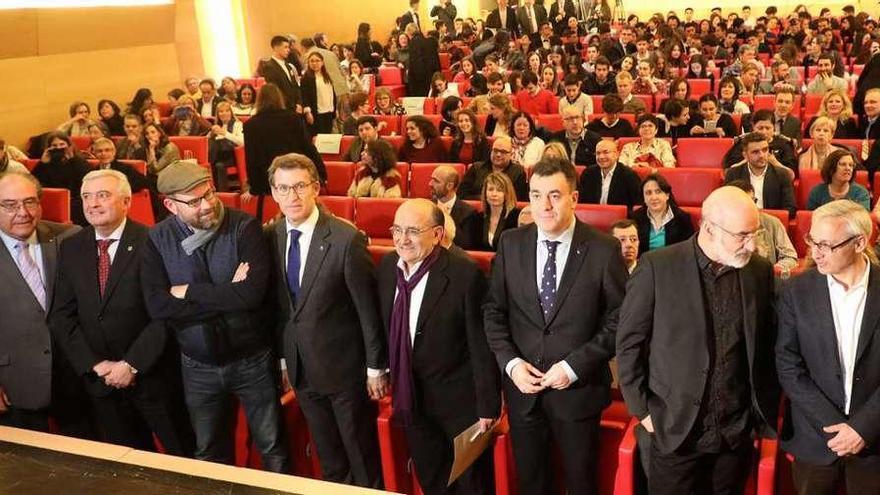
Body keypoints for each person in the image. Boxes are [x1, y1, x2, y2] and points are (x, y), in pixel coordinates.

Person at [617, 186, 780, 495]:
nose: (752, 244)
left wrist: (755, 415)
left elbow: (766, 345)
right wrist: (645, 414)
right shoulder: (657, 267)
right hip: (674, 432)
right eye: (742, 235)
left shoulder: (758, 271)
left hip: (734, 436)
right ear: (709, 227)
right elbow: (628, 346)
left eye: (754, 234)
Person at [484, 157, 628, 495]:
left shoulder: (603, 249)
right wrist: (512, 364)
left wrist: (574, 366)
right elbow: (493, 311)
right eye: (535, 195)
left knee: (581, 484)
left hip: (577, 394)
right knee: (532, 484)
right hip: (524, 394)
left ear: (574, 198)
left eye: (554, 195)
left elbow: (620, 319)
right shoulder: (511, 243)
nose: (544, 205)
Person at [140, 161, 288, 472]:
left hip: (252, 360)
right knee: (208, 451)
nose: (207, 205)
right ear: (170, 205)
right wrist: (227, 293)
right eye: (194, 201)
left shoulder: (244, 227)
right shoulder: (156, 240)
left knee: (272, 446)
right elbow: (158, 306)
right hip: (198, 365)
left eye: (209, 194)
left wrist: (186, 291)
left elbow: (250, 295)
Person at [49, 169, 194, 455]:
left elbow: (167, 312)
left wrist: (130, 364)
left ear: (127, 201)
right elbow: (62, 315)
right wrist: (94, 364)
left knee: (184, 458)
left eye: (102, 195)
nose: (92, 204)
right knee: (127, 465)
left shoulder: (154, 241)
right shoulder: (71, 246)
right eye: (86, 197)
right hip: (102, 383)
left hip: (153, 378)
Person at [265, 153, 385, 487]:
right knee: (329, 460)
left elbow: (368, 310)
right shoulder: (270, 236)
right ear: (273, 192)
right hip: (301, 370)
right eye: (284, 188)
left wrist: (375, 367)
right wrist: (284, 360)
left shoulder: (346, 239)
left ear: (316, 187)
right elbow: (280, 309)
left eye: (300, 186)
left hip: (345, 370)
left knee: (361, 457)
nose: (293, 196)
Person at [377, 198, 501, 494]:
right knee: (431, 476)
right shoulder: (385, 269)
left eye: (412, 231)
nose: (402, 239)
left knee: (471, 484)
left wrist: (488, 404)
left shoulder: (464, 274)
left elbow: (480, 345)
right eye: (397, 229)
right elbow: (383, 327)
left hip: (460, 403)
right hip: (412, 397)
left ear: (437, 234)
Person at [777, 200, 880, 495]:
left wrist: (863, 428)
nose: (814, 252)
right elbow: (788, 365)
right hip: (816, 439)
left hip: (874, 443)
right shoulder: (797, 290)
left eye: (827, 244)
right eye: (812, 240)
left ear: (860, 243)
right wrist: (837, 428)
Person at [0, 171, 91, 437]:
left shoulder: (69, 238)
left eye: (30, 202)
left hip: (75, 379)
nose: (23, 212)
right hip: (14, 381)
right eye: (9, 205)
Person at [243, 83, 325, 222]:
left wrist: (254, 188)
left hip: (267, 182)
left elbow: (252, 159)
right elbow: (307, 147)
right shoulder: (292, 118)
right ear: (279, 98)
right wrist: (321, 172)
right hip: (294, 176)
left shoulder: (250, 125)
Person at [727, 179, 799, 275]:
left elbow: (790, 257)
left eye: (754, 201)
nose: (753, 207)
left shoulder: (772, 223)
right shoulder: (721, 227)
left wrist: (772, 271)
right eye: (746, 203)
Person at [724, 133, 797, 215]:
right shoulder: (733, 174)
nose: (762, 155)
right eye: (755, 152)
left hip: (771, 223)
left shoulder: (782, 174)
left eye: (765, 150)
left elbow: (791, 208)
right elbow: (726, 205)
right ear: (745, 155)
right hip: (742, 222)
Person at [31, 131, 92, 226]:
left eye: (62, 144)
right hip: (52, 202)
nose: (59, 148)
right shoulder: (46, 164)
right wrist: (42, 163)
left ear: (69, 145)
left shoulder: (78, 161)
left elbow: (87, 179)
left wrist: (72, 160)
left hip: (76, 200)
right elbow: (33, 182)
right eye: (54, 145)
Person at [632, 173, 694, 254]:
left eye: (658, 192)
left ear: (667, 195)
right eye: (648, 193)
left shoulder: (682, 218)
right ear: (643, 198)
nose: (653, 197)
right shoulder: (635, 218)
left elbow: (689, 250)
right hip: (644, 264)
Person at [578, 139, 642, 212]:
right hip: (591, 218)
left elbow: (636, 205)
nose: (601, 157)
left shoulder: (629, 176)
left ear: (616, 155)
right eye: (598, 153)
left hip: (619, 221)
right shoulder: (588, 174)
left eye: (606, 152)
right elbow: (581, 203)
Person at [724, 109, 798, 172]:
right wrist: (748, 159)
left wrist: (774, 162)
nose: (764, 132)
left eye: (768, 128)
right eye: (760, 128)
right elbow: (729, 170)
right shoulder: (743, 142)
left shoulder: (783, 144)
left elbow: (791, 173)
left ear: (774, 128)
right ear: (753, 127)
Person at [460, 136, 528, 201]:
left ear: (511, 155)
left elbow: (520, 199)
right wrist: (485, 199)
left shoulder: (519, 172)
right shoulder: (476, 168)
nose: (498, 154)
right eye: (495, 150)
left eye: (503, 152)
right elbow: (461, 195)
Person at [430, 164, 477, 250]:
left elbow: (466, 245)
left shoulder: (469, 213)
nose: (430, 184)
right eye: (431, 179)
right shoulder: (425, 207)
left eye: (436, 181)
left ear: (449, 186)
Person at [475, 172, 521, 252]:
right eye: (490, 189)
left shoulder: (516, 217)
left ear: (507, 193)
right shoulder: (477, 218)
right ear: (485, 193)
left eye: (499, 190)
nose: (494, 194)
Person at [208, 101, 244, 192]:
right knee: (213, 160)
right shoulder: (216, 126)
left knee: (218, 164)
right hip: (219, 156)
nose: (224, 113)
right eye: (221, 111)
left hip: (233, 156)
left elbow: (241, 142)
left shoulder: (237, 125)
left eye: (227, 111)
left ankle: (222, 192)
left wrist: (225, 134)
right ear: (218, 114)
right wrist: (211, 135)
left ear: (231, 112)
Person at [262, 35, 302, 111]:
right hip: (283, 108)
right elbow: (276, 90)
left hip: (296, 108)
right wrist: (293, 106)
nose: (288, 50)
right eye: (285, 47)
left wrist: (299, 103)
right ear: (276, 48)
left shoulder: (289, 66)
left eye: (288, 47)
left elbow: (296, 86)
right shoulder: (269, 67)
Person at [301, 51, 338, 136]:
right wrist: (308, 112)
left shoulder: (326, 76)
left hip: (328, 111)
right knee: (319, 137)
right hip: (316, 113)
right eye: (312, 61)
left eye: (317, 61)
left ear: (322, 62)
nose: (315, 63)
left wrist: (335, 109)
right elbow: (304, 96)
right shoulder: (306, 78)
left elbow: (332, 93)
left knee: (328, 136)